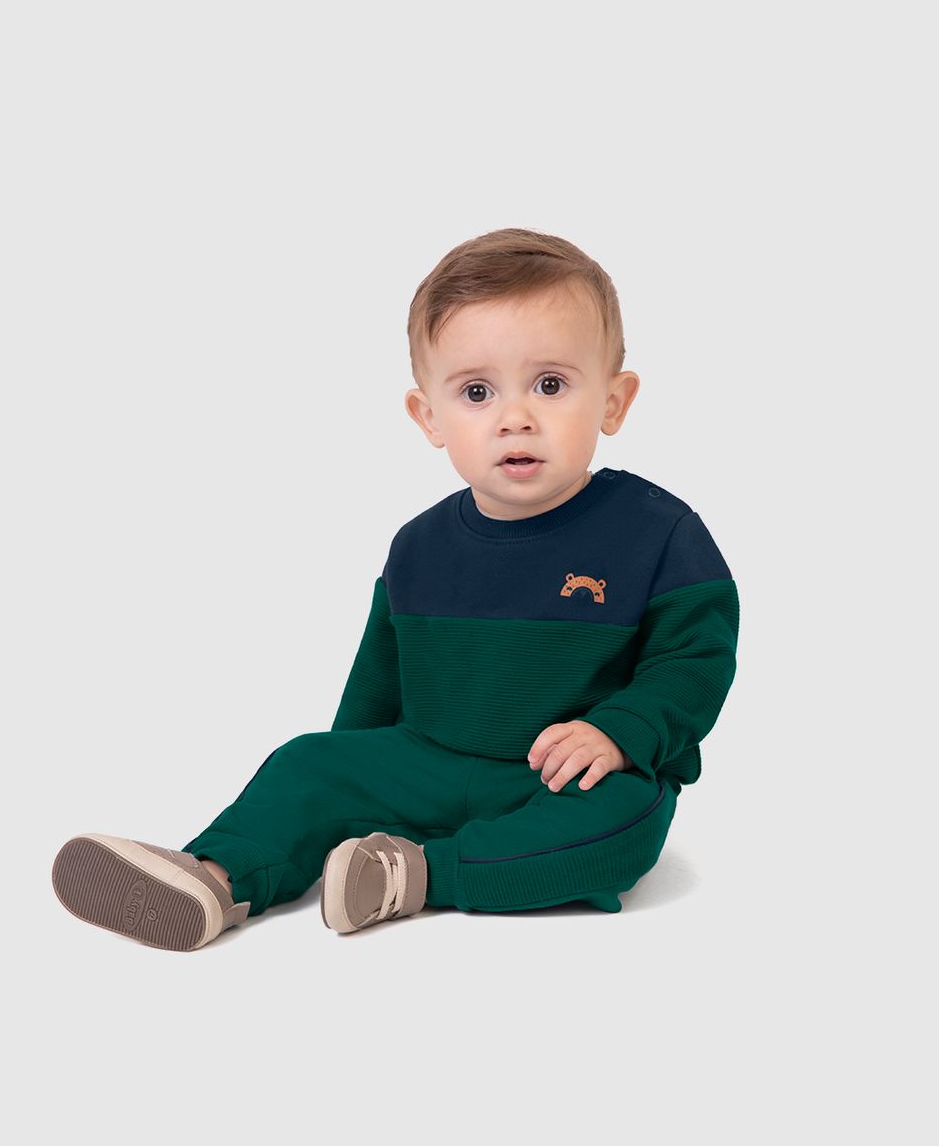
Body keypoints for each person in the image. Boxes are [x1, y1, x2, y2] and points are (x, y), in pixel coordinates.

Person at [52, 226, 740, 949]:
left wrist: (621, 733)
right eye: (477, 392)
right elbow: (378, 681)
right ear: (429, 417)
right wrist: (349, 778)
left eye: (550, 385)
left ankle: (416, 874)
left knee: (624, 821)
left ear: (613, 401)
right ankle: (217, 877)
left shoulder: (658, 531)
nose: (515, 417)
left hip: (556, 778)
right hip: (427, 763)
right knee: (307, 762)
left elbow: (695, 660)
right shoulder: (418, 546)